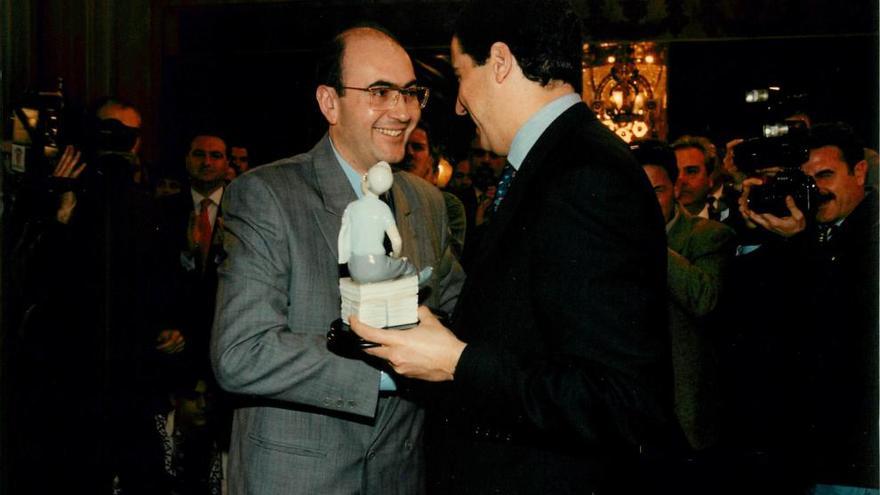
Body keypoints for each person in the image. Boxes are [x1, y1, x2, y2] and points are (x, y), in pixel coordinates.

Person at [350, 1, 670, 493]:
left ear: (499, 62)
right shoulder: (553, 165)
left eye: (460, 75)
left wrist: (457, 362)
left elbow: (619, 399)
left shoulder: (584, 176)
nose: (458, 104)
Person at [210, 25, 464, 494]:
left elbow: (457, 312)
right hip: (294, 479)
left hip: (399, 476)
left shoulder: (428, 204)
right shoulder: (268, 195)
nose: (402, 111)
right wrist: (392, 370)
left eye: (410, 93)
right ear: (329, 103)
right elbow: (239, 354)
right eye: (380, 92)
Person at [734, 122, 878, 494]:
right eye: (806, 179)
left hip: (856, 457)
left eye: (826, 175)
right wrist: (756, 227)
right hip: (799, 450)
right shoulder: (803, 230)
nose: (817, 190)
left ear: (859, 172)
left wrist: (798, 247)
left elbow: (847, 321)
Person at [632, 139, 736, 492]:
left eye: (657, 191)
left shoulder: (707, 236)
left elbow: (703, 297)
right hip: (632, 413)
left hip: (684, 417)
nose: (647, 202)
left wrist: (650, 243)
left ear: (674, 189)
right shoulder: (614, 241)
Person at [672, 135, 718, 219]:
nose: (681, 180)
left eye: (691, 172)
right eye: (675, 172)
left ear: (710, 178)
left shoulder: (728, 224)